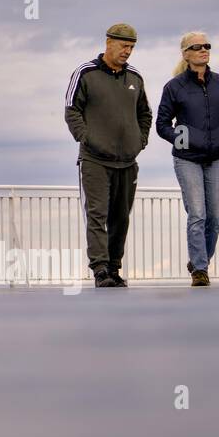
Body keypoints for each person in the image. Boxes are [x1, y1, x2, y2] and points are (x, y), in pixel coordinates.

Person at [65, 24, 153, 288]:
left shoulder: (135, 77)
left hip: (127, 161)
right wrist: (87, 139)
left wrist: (140, 142)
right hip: (94, 160)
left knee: (121, 217)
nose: (128, 51)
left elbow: (145, 114)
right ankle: (100, 269)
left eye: (132, 47)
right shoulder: (85, 73)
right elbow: (71, 111)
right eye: (124, 46)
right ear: (108, 43)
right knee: (97, 214)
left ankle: (114, 267)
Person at [155, 31, 219, 287]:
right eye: (197, 46)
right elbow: (162, 124)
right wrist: (183, 140)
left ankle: (198, 260)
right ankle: (200, 270)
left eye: (207, 46)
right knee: (197, 214)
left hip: (215, 158)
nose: (204, 49)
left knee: (216, 217)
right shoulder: (174, 87)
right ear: (186, 54)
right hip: (187, 159)